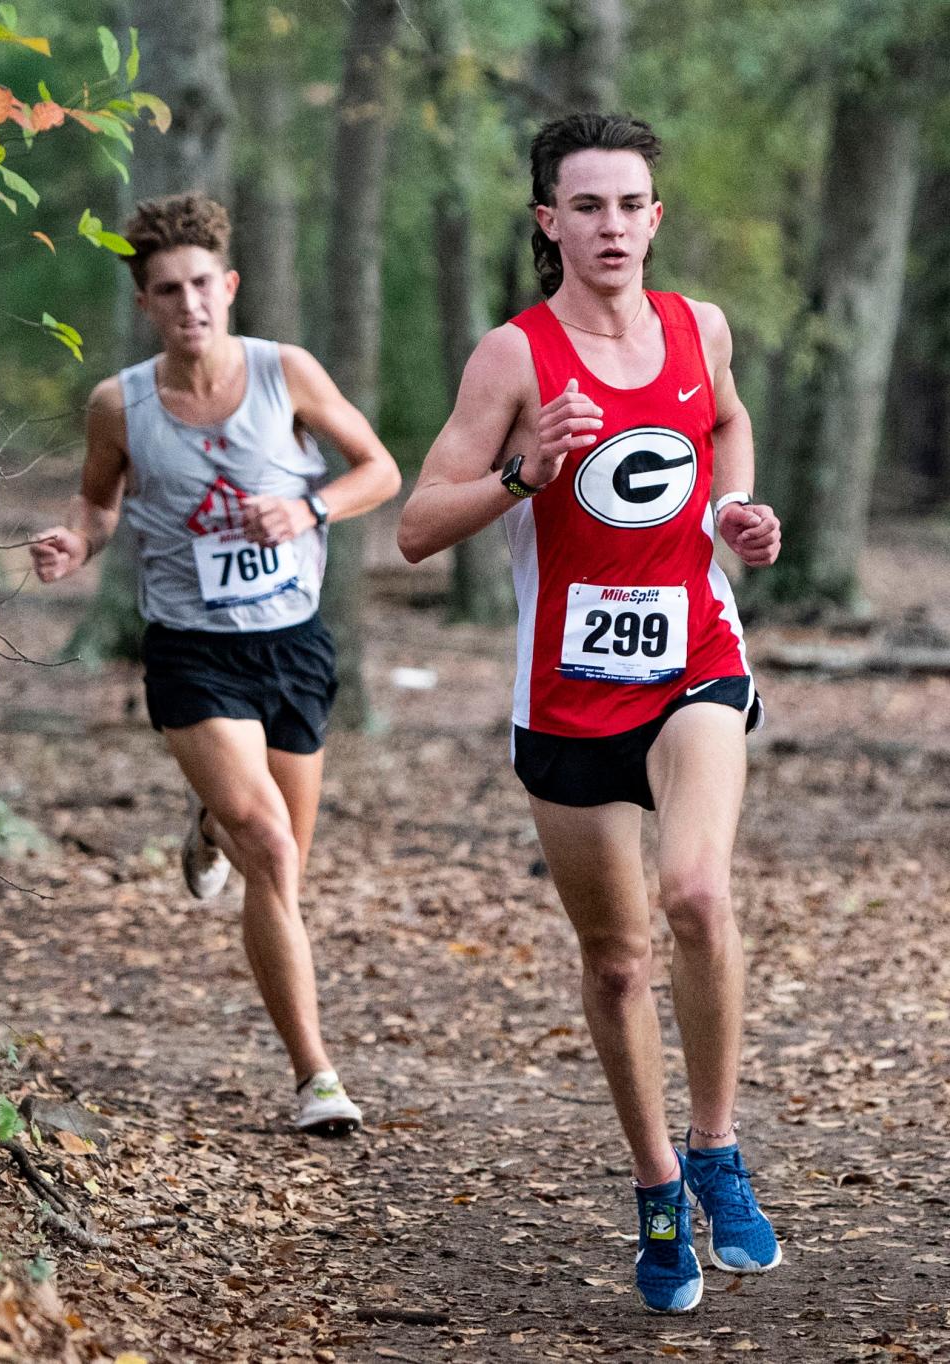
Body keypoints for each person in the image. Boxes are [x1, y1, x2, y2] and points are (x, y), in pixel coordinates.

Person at [398, 113, 782, 1312]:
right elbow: (415, 525)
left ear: (654, 217)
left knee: (697, 892)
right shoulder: (512, 358)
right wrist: (525, 471)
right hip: (566, 698)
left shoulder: (697, 328)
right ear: (547, 221)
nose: (612, 227)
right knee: (617, 964)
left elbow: (724, 420)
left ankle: (717, 1150)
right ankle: (657, 1185)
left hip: (694, 662)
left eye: (631, 206)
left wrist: (736, 508)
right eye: (588, 207)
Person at [31, 193, 401, 1136]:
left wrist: (310, 509)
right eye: (168, 290)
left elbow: (379, 470)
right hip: (192, 651)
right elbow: (97, 505)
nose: (189, 302)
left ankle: (208, 818)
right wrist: (76, 543)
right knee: (269, 847)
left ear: (228, 287)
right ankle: (316, 1075)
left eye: (203, 284)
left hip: (293, 644)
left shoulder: (287, 374)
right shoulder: (122, 403)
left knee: (284, 871)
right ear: (146, 304)